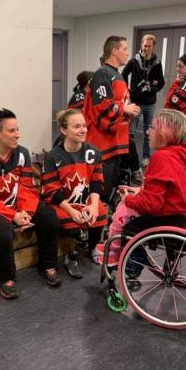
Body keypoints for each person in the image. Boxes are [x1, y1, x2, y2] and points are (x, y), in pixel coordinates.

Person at [0, 109, 62, 299]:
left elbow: (26, 188)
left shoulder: (22, 153)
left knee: (49, 217)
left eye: (17, 129)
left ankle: (48, 266)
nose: (17, 134)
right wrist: (13, 216)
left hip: (16, 206)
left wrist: (25, 211)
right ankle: (5, 279)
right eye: (11, 131)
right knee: (2, 231)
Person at [95, 109, 186, 265]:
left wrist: (128, 199)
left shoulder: (162, 158)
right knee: (130, 197)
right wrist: (139, 191)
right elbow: (170, 189)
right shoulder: (182, 152)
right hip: (181, 213)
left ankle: (114, 251)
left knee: (122, 209)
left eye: (152, 127)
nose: (147, 131)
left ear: (164, 133)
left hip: (167, 216)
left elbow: (152, 205)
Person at [42, 109, 107, 278]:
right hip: (62, 202)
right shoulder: (53, 156)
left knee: (100, 212)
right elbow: (52, 190)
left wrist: (92, 205)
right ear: (64, 130)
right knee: (68, 219)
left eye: (84, 125)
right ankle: (71, 255)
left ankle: (92, 247)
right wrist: (71, 210)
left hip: (85, 200)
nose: (83, 130)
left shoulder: (93, 152)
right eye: (77, 126)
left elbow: (96, 182)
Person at [83, 35, 140, 202]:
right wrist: (125, 109)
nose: (127, 53)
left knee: (110, 188)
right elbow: (101, 107)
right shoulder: (103, 74)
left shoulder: (116, 74)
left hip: (115, 143)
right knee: (101, 192)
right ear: (114, 51)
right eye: (124, 49)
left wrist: (127, 111)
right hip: (102, 145)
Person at [122, 34, 165, 166]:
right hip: (136, 102)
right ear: (141, 44)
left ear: (153, 46)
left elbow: (161, 83)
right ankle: (129, 156)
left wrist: (152, 88)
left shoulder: (157, 63)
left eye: (149, 46)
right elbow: (123, 74)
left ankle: (146, 156)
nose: (146, 48)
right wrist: (128, 90)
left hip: (150, 103)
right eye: (144, 45)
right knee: (131, 131)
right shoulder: (134, 60)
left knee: (148, 131)